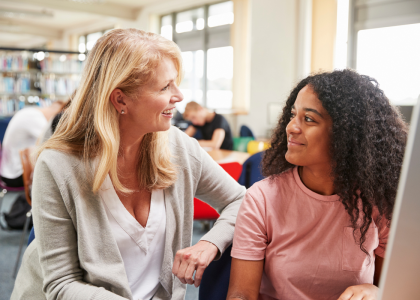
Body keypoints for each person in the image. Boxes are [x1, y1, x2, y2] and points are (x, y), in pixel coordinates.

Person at [11, 28, 245, 300]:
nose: (179, 96)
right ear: (120, 99)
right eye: (165, 86)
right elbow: (62, 284)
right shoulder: (58, 166)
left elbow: (241, 200)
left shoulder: (178, 147)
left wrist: (209, 242)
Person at [227, 70, 408, 300]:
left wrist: (377, 291)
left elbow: (396, 288)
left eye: (309, 119)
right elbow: (241, 295)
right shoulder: (261, 199)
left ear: (347, 134)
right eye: (293, 115)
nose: (291, 127)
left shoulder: (378, 201)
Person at [0, 100, 67, 187]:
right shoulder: (35, 117)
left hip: (10, 170)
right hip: (14, 175)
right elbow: (53, 142)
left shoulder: (32, 112)